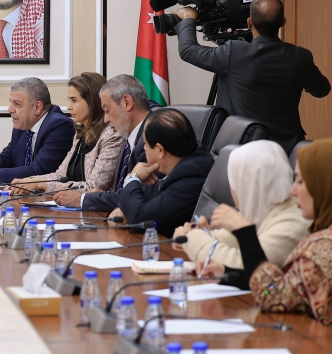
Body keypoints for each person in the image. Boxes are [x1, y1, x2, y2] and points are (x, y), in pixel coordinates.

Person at [173, 0, 330, 154]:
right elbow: (323, 90)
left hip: (244, 153)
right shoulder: (301, 57)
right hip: (287, 154)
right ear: (283, 22)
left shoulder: (235, 52)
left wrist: (188, 18)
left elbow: (188, 50)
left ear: (249, 22)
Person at [199, 139, 332, 326]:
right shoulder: (320, 233)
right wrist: (229, 274)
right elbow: (290, 287)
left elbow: (273, 297)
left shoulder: (322, 247)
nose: (293, 191)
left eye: (301, 182)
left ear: (324, 186)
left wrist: (245, 232)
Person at [173, 140, 309, 268]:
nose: (232, 189)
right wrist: (196, 233)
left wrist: (193, 239)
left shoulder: (295, 223)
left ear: (246, 185)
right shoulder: (263, 207)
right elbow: (233, 240)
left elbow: (244, 265)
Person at [10, 72, 124, 195]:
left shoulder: (112, 136)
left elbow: (93, 187)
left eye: (74, 100)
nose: (69, 107)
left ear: (93, 101)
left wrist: (42, 184)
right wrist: (28, 181)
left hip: (96, 206)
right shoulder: (80, 134)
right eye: (69, 100)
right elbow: (60, 175)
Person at [107, 109, 214, 238]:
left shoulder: (191, 177)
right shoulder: (185, 161)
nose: (144, 148)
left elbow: (141, 219)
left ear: (160, 150)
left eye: (146, 144)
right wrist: (126, 210)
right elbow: (146, 207)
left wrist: (132, 177)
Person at [54, 74, 155, 209]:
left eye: (107, 110)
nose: (106, 119)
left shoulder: (152, 138)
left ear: (127, 103)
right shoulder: (131, 138)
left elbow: (140, 197)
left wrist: (84, 199)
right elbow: (123, 193)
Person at [0, 77, 74, 182]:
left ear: (37, 107)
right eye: (11, 102)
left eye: (17, 104)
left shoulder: (59, 126)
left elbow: (39, 170)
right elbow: (8, 159)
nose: (10, 109)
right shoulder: (24, 125)